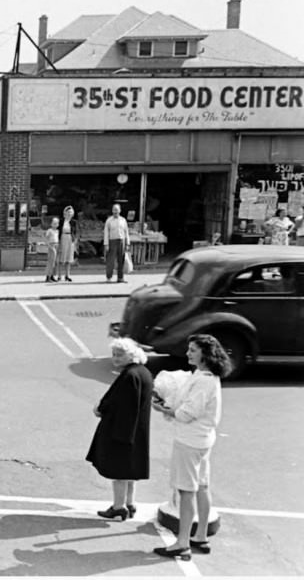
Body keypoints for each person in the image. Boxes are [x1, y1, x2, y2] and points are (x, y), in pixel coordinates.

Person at [151, 334, 232, 558]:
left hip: (189, 440)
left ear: (205, 354)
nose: (188, 353)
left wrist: (166, 410)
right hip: (203, 439)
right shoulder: (207, 376)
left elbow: (188, 412)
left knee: (186, 490)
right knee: (203, 486)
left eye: (193, 350)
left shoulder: (203, 380)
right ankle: (200, 535)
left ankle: (182, 542)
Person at [87, 337, 153, 521]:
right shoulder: (143, 372)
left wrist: (101, 409)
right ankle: (130, 504)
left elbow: (119, 404)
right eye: (114, 354)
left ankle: (119, 507)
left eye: (120, 354)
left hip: (122, 432)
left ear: (131, 355)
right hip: (135, 431)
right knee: (129, 471)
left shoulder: (129, 376)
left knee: (119, 472)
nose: (115, 358)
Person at [103, 203, 131, 283]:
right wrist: (106, 244)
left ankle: (120, 278)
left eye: (117, 210)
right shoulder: (109, 220)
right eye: (114, 209)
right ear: (112, 211)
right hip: (112, 241)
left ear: (120, 211)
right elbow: (106, 233)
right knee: (110, 260)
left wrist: (127, 243)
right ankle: (109, 277)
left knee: (121, 260)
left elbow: (126, 232)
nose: (115, 211)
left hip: (121, 240)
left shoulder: (123, 220)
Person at [56, 205, 80, 282]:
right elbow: (57, 231)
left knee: (69, 258)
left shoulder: (74, 222)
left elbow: (76, 232)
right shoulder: (61, 221)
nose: (69, 214)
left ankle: (67, 275)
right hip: (63, 238)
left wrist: (75, 242)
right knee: (61, 257)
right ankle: (59, 275)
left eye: (70, 213)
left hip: (70, 239)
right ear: (64, 213)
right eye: (67, 212)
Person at [44, 216, 60, 283]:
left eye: (56, 223)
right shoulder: (49, 230)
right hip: (51, 246)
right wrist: (49, 246)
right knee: (51, 262)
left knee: (55, 263)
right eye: (54, 223)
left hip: (56, 245)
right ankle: (48, 277)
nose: (55, 224)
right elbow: (46, 238)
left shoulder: (57, 231)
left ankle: (52, 276)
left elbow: (57, 239)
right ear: (51, 224)